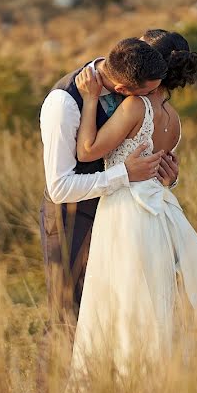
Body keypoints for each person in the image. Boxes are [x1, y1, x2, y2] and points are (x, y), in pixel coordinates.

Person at [68, 29, 197, 381]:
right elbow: (163, 172)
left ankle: (127, 383)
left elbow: (86, 151)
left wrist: (92, 99)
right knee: (155, 299)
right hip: (160, 212)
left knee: (122, 299)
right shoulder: (173, 120)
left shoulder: (134, 106)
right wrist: (171, 179)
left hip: (125, 212)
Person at [39, 38, 181, 330]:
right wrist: (124, 175)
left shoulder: (132, 74)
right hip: (73, 220)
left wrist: (166, 175)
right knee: (70, 317)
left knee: (113, 315)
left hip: (119, 218)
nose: (156, 97)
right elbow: (59, 188)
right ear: (123, 90)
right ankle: (55, 378)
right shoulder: (64, 103)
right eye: (150, 91)